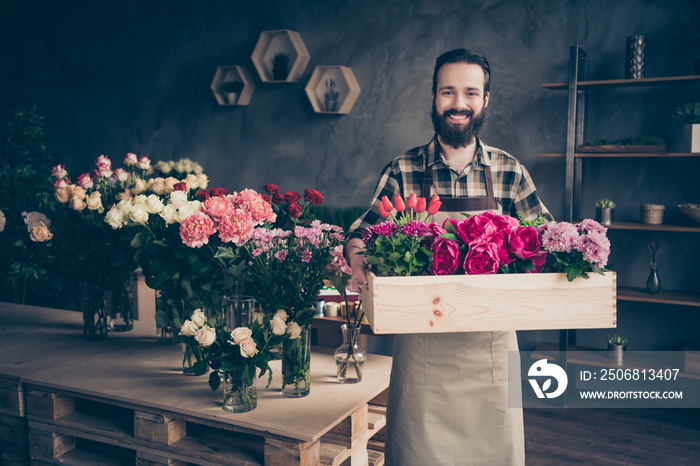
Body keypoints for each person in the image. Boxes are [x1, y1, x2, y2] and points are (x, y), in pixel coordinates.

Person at [345, 49, 553, 465]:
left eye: (470, 93)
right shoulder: (403, 170)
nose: (459, 103)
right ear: (434, 97)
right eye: (448, 92)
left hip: (491, 354)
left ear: (486, 99)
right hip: (424, 356)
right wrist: (358, 260)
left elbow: (548, 240)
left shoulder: (509, 172)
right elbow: (360, 234)